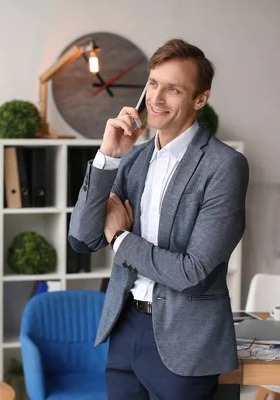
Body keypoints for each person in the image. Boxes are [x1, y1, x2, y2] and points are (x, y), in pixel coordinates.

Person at [68, 38, 249, 400]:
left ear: (200, 99)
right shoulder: (132, 161)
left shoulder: (224, 166)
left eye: (173, 89)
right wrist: (107, 157)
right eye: (153, 84)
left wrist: (120, 239)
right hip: (124, 329)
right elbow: (83, 239)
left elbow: (192, 273)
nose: (156, 99)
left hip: (186, 342)